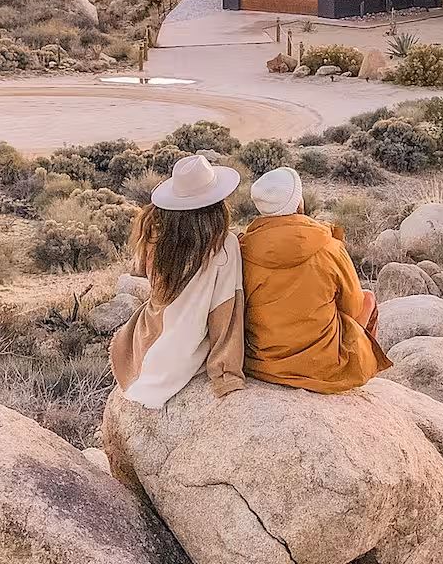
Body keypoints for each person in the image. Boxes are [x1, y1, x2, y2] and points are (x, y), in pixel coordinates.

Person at [109, 154, 246, 408]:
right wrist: (227, 374)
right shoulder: (225, 246)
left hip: (150, 337)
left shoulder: (155, 234)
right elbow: (225, 312)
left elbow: (141, 273)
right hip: (183, 352)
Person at [238, 166, 389, 392]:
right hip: (321, 367)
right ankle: (358, 373)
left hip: (263, 364)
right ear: (298, 202)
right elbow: (352, 307)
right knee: (367, 299)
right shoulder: (329, 246)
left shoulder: (242, 248)